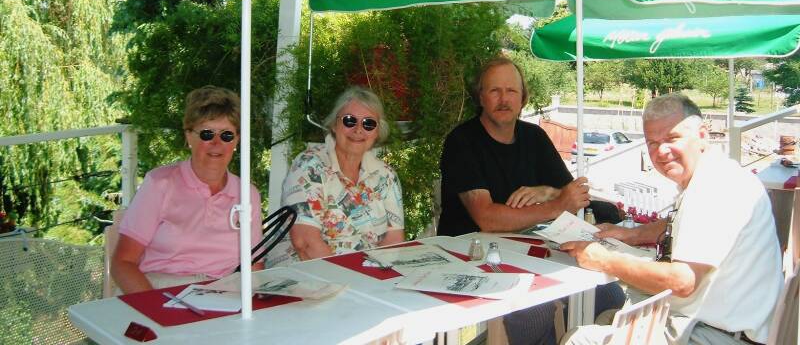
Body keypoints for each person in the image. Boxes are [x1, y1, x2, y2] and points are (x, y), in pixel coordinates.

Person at [561, 93, 783, 345]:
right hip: (722, 327)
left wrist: (605, 260)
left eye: (672, 138)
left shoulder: (715, 187)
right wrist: (632, 234)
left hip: (717, 335)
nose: (661, 151)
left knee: (579, 339)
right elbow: (689, 225)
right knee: (608, 318)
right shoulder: (716, 174)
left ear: (702, 135)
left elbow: (682, 280)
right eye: (652, 143)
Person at [438, 56, 624, 345]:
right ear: (481, 97)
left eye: (511, 91)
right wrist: (556, 204)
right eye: (494, 91)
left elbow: (574, 195)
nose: (504, 99)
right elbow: (487, 218)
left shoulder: (534, 137)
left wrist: (550, 194)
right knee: (535, 311)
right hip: (472, 255)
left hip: (533, 249)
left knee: (609, 293)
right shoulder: (462, 142)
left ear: (523, 97)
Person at [111, 86, 263, 294]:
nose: (216, 143)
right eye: (207, 134)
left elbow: (254, 267)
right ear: (189, 136)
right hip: (158, 291)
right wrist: (157, 310)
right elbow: (123, 263)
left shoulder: (247, 194)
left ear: (237, 140)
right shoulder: (160, 184)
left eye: (227, 135)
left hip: (224, 296)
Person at [279, 86, 404, 261]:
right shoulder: (309, 167)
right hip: (311, 276)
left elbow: (394, 240)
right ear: (334, 125)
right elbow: (306, 244)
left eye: (369, 123)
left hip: (367, 279)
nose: (358, 130)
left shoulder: (386, 175)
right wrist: (350, 281)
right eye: (349, 120)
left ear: (377, 132)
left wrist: (376, 278)